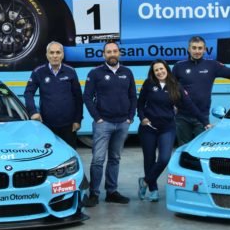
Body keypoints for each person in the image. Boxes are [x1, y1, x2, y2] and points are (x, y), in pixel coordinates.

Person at [137, 60, 208, 202]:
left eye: (161, 69)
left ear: (167, 69)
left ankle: (145, 181)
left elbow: (190, 105)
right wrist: (142, 118)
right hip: (148, 128)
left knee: (164, 158)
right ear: (153, 72)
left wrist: (205, 122)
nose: (159, 72)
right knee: (149, 159)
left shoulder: (176, 86)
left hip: (167, 128)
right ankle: (153, 190)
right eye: (156, 70)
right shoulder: (149, 84)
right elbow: (140, 103)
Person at [82, 41, 137, 206]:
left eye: (114, 51)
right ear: (103, 55)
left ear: (119, 53)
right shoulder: (95, 73)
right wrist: (97, 118)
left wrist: (130, 117)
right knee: (98, 159)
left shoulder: (127, 72)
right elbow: (87, 97)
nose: (112, 54)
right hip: (103, 123)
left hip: (122, 124)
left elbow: (133, 96)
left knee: (115, 158)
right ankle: (94, 193)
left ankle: (111, 192)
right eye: (109, 51)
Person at [23, 41, 83, 148]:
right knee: (50, 153)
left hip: (68, 126)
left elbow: (78, 97)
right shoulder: (38, 72)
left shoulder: (70, 71)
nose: (55, 56)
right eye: (51, 53)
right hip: (47, 125)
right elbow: (28, 93)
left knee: (69, 153)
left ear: (62, 55)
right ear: (47, 55)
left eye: (58, 52)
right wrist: (33, 112)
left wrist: (77, 120)